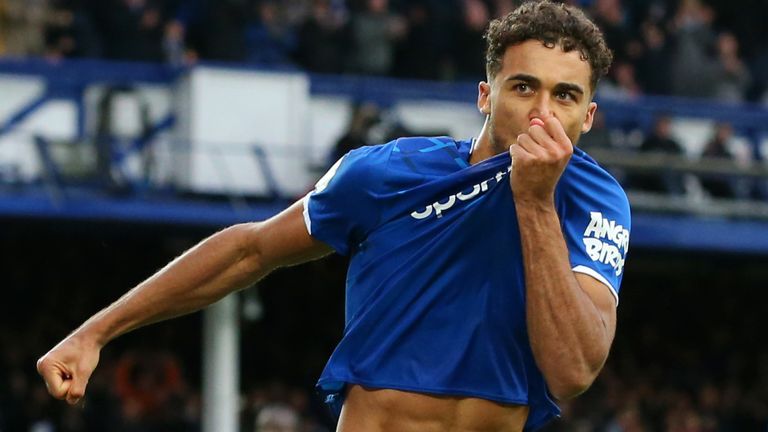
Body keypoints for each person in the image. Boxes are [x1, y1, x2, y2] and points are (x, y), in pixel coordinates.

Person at [36, 1, 630, 431]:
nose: (541, 113)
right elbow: (251, 249)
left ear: (589, 117)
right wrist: (97, 332)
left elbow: (573, 369)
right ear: (485, 94)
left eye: (566, 96)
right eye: (524, 87)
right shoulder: (384, 174)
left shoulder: (596, 202)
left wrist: (533, 202)